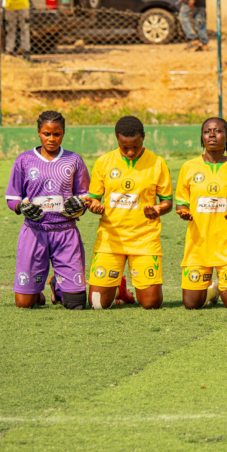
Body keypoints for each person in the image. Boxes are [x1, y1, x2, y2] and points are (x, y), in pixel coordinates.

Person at [85, 116, 174, 309]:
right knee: (97, 304)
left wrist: (158, 209)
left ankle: (121, 286)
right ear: (117, 139)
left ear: (143, 137)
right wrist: (94, 206)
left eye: (135, 146)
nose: (131, 151)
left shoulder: (157, 163)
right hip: (110, 239)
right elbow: (93, 198)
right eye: (125, 147)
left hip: (144, 239)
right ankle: (119, 288)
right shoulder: (103, 162)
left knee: (151, 304)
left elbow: (167, 202)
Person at [4, 110, 90, 309]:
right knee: (24, 304)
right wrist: (21, 207)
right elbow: (12, 197)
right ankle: (36, 293)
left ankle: (57, 285)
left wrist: (80, 207)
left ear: (63, 133)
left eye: (56, 134)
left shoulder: (73, 160)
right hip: (34, 232)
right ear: (38, 132)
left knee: (76, 304)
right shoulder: (24, 160)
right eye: (46, 134)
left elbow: (85, 195)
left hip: (66, 232)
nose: (51, 139)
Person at [175, 117, 227, 310]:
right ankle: (214, 289)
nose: (212, 135)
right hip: (197, 246)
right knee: (191, 304)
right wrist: (184, 212)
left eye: (217, 131)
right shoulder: (188, 168)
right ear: (201, 138)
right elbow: (180, 204)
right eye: (206, 131)